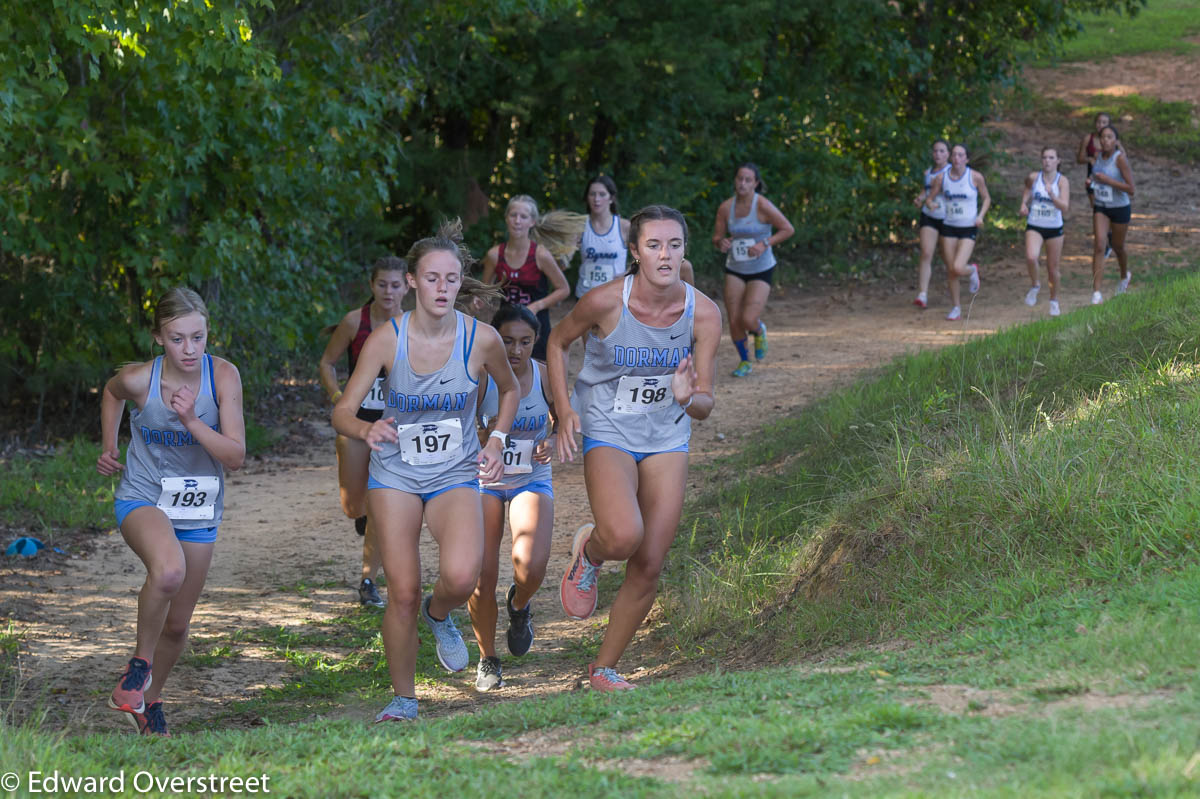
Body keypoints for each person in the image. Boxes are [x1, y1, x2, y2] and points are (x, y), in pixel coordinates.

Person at [332, 219, 518, 723]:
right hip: (394, 473)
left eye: (452, 279)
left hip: (454, 470)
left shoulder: (480, 339)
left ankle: (440, 616)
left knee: (461, 575)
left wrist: (497, 438)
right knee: (403, 591)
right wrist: (365, 431)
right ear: (412, 281)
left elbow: (510, 389)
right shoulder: (386, 340)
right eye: (432, 278)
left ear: (461, 283)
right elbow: (342, 412)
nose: (442, 288)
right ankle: (405, 698)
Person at [547, 204, 721, 691]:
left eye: (674, 245)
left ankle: (604, 669)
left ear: (685, 250)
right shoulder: (606, 302)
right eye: (653, 245)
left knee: (649, 561)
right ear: (635, 251)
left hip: (667, 433)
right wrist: (565, 410)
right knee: (624, 536)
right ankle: (591, 554)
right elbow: (557, 343)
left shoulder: (703, 312)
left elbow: (706, 402)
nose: (665, 255)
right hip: (608, 426)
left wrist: (690, 398)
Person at [97, 287, 245, 736]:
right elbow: (111, 391)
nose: (189, 349)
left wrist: (193, 421)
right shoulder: (141, 379)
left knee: (178, 625)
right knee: (167, 572)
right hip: (144, 497)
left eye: (197, 337)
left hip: (199, 509)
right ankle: (137, 668)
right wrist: (109, 444)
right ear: (158, 337)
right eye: (177, 338)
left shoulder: (223, 376)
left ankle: (148, 698)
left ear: (207, 334)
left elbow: (235, 456)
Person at [468, 304, 557, 691]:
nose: (516, 350)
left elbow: (566, 419)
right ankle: (487, 659)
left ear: (536, 341)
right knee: (482, 574)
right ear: (494, 341)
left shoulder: (545, 375)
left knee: (530, 566)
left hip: (530, 478)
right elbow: (455, 427)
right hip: (484, 482)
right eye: (507, 342)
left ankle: (519, 605)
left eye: (525, 342)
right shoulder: (481, 379)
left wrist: (551, 441)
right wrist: (480, 439)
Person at [318, 257, 408, 608]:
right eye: (382, 284)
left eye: (396, 285)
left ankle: (368, 580)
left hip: (393, 427)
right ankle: (363, 514)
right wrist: (339, 397)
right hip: (357, 423)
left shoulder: (413, 325)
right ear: (372, 285)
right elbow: (326, 362)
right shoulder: (356, 321)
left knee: (379, 500)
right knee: (355, 506)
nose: (389, 291)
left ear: (407, 286)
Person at [711, 163, 794, 377]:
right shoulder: (725, 208)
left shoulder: (763, 205)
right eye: (740, 179)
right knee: (734, 318)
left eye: (748, 180)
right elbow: (716, 237)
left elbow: (787, 229)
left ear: (756, 184)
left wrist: (764, 243)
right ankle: (745, 361)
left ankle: (759, 330)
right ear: (735, 181)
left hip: (761, 267)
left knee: (748, 318)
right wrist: (721, 243)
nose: (743, 184)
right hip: (735, 267)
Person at [480, 196, 582, 360]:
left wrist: (536, 306)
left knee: (535, 379)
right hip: (505, 328)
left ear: (532, 222)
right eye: (513, 215)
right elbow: (484, 291)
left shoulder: (540, 254)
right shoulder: (494, 255)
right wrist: (477, 300)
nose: (517, 221)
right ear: (506, 218)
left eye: (523, 217)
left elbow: (564, 289)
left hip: (536, 327)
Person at [925, 143, 990, 321]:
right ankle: (956, 307)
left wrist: (980, 216)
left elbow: (986, 198)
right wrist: (932, 204)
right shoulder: (941, 178)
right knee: (951, 270)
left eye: (961, 155)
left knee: (958, 267)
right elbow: (929, 199)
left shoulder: (975, 177)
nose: (956, 158)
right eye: (954, 155)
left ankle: (971, 270)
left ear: (967, 159)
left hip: (968, 227)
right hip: (949, 227)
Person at [1019, 147, 1071, 317]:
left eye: (1051, 157)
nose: (1047, 161)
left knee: (1052, 269)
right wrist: (1024, 204)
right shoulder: (1035, 177)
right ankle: (1035, 285)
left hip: (1054, 228)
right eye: (1044, 157)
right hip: (1035, 224)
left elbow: (1064, 207)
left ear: (1058, 161)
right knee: (1031, 256)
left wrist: (1052, 195)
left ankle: (1054, 300)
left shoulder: (1062, 181)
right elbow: (1027, 189)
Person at [1088, 125, 1135, 305]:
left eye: (1109, 137)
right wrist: (1091, 182)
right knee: (1099, 245)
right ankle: (1096, 292)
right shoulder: (1097, 158)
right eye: (1103, 137)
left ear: (1116, 140)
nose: (1105, 140)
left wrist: (1108, 181)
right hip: (1101, 206)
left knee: (1118, 246)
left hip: (1120, 207)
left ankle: (1124, 276)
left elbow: (1131, 189)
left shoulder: (1120, 159)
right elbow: (1096, 179)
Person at [575, 176, 633, 298]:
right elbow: (563, 261)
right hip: (585, 296)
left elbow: (643, 258)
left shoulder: (624, 226)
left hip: (615, 297)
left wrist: (628, 273)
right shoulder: (579, 226)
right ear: (587, 198)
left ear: (611, 198)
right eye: (592, 194)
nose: (596, 199)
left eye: (602, 194)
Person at [912, 140, 952, 309]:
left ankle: (967, 274)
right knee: (926, 252)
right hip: (929, 216)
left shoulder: (952, 172)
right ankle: (923, 294)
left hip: (947, 217)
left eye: (942, 151)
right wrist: (920, 198)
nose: (938, 154)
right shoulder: (928, 172)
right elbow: (926, 190)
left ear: (948, 154)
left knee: (947, 257)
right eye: (935, 151)